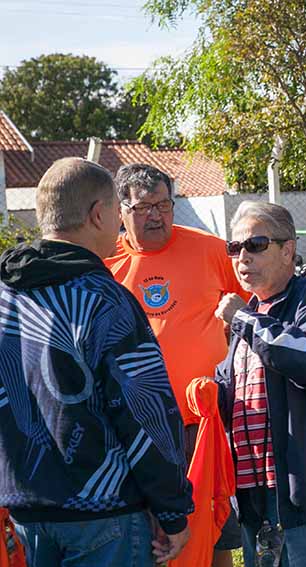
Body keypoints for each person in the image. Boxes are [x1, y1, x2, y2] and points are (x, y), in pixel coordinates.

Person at [0, 158, 193, 566]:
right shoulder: (105, 301)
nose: (121, 225)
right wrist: (172, 510)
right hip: (105, 514)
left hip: (24, 515)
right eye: (117, 213)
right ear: (98, 214)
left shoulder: (4, 298)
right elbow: (146, 412)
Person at [212, 201, 306, 567]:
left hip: (299, 484)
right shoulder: (252, 312)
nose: (242, 257)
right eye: (235, 247)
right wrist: (211, 391)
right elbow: (239, 384)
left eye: (256, 245)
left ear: (288, 250)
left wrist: (244, 320)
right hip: (251, 487)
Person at [105, 163, 246, 565]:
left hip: (206, 423)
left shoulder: (209, 249)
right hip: (140, 428)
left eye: (164, 204)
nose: (156, 215)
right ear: (120, 211)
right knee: (152, 538)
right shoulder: (105, 261)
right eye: (143, 207)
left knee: (217, 530)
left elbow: (249, 306)